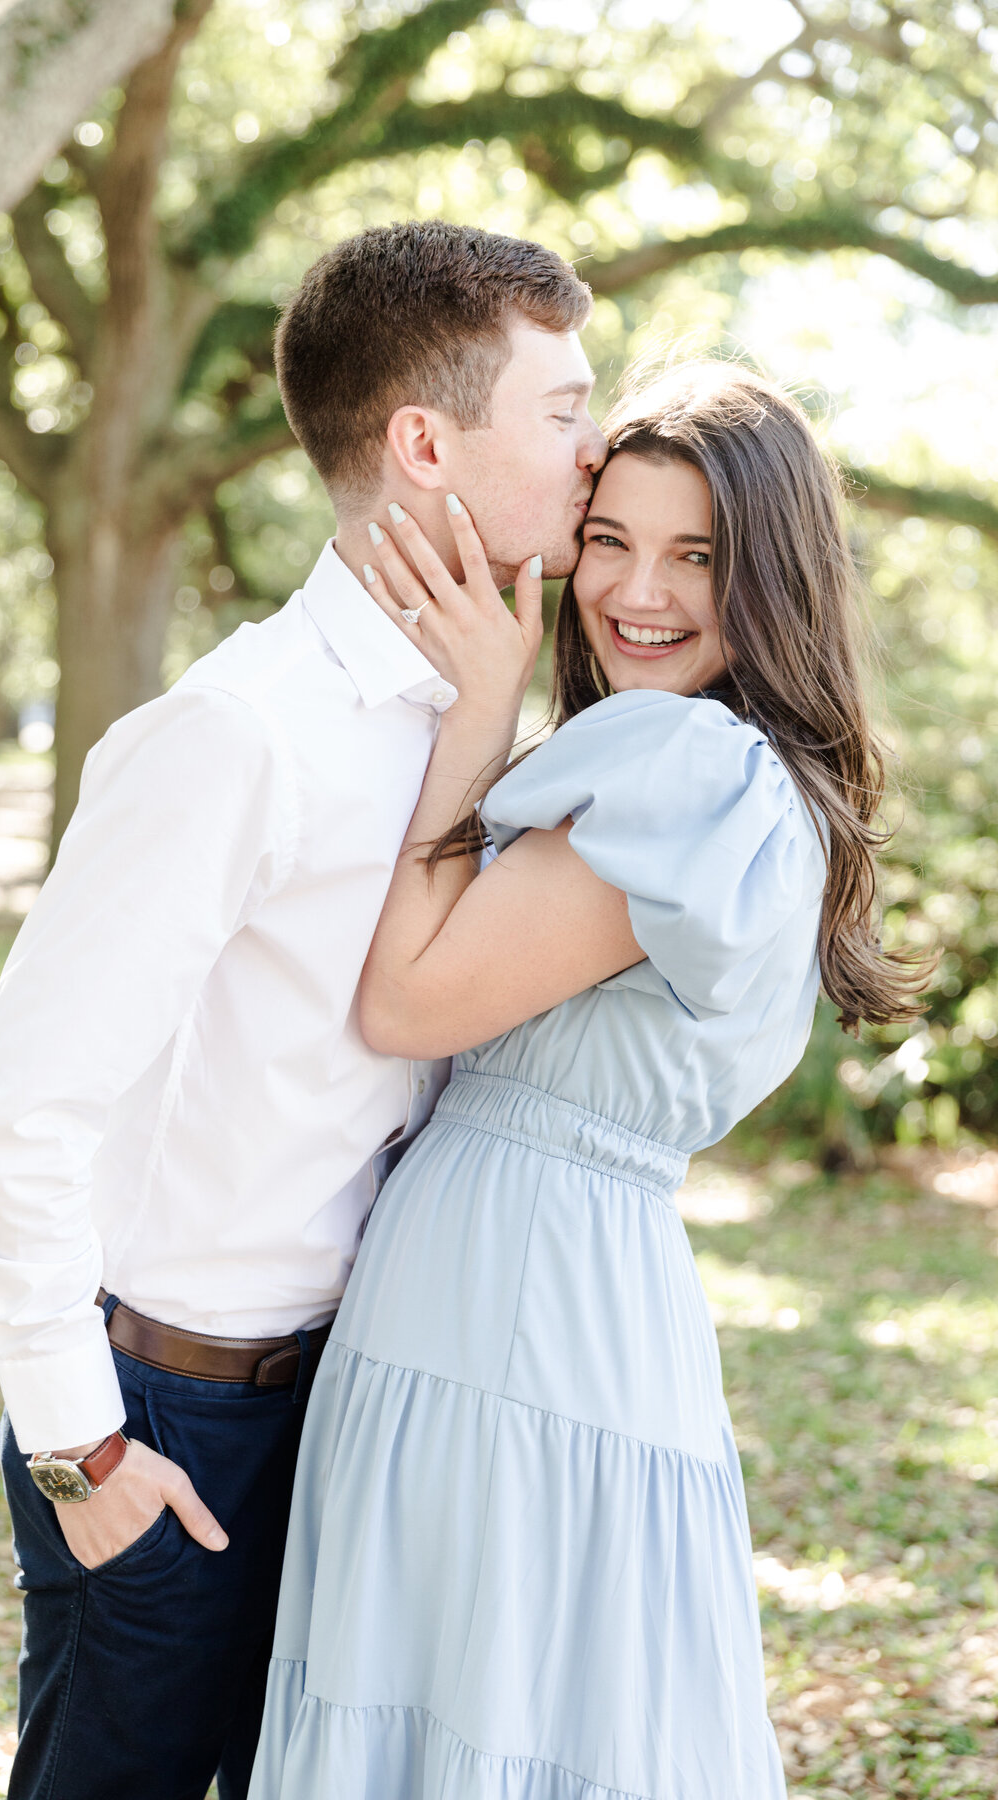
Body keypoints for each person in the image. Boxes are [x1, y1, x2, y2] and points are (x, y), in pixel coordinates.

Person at [0, 219, 606, 1800]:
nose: (597, 448)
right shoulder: (236, 735)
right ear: (425, 442)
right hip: (168, 1420)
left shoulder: (485, 710)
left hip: (356, 1411)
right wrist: (82, 1452)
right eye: (564, 411)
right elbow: (16, 1122)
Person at [249, 362, 930, 1799]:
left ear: (775, 579)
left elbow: (407, 999)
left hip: (511, 1310)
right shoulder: (746, 779)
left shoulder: (683, 770)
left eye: (697, 555)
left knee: (467, 1714)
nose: (639, 591)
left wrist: (474, 715)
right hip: (571, 1298)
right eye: (609, 539)